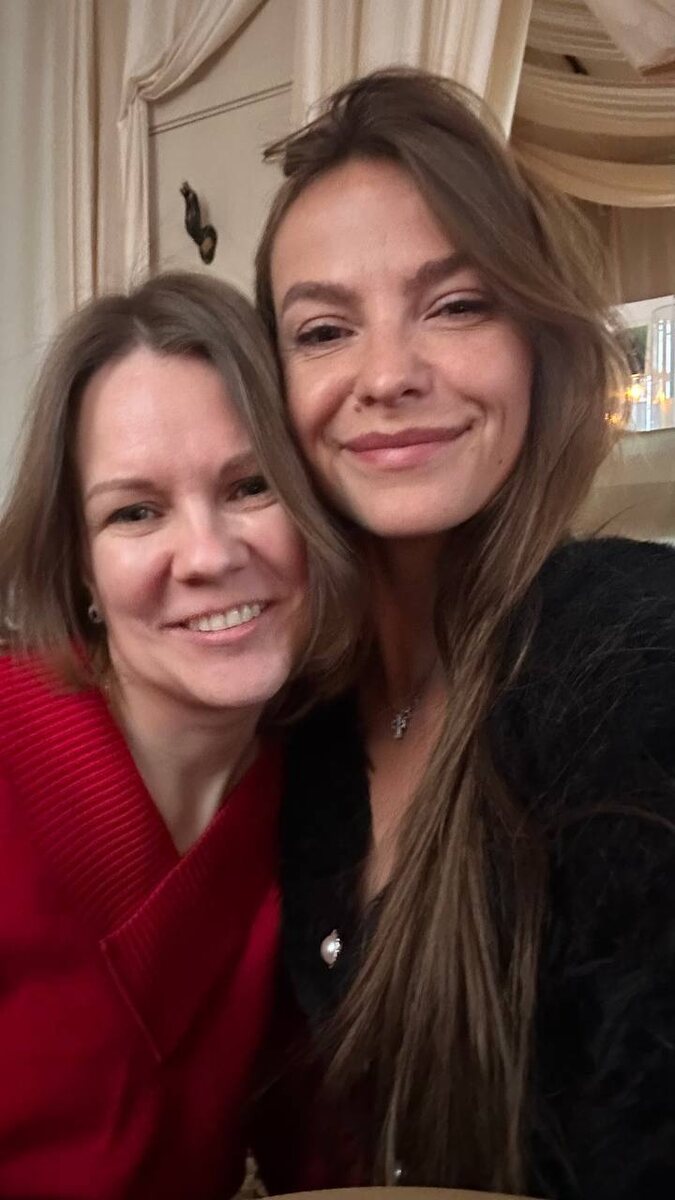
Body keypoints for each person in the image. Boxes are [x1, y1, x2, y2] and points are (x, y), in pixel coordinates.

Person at [254, 69, 675, 1199]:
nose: (389, 375)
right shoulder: (296, 723)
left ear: (538, 344)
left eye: (455, 306)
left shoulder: (635, 656)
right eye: (324, 330)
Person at [0, 272, 353, 1199]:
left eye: (250, 486)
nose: (207, 555)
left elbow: (320, 1153)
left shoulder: (319, 800)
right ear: (80, 565)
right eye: (136, 511)